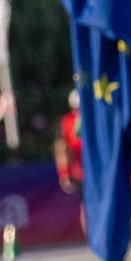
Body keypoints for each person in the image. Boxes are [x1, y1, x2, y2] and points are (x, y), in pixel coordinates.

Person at [53, 89, 86, 235]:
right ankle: (94, 239)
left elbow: (62, 149)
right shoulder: (68, 121)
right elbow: (62, 148)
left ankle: (94, 240)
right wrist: (65, 172)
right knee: (87, 206)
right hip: (82, 171)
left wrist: (64, 173)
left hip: (83, 171)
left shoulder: (67, 121)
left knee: (85, 206)